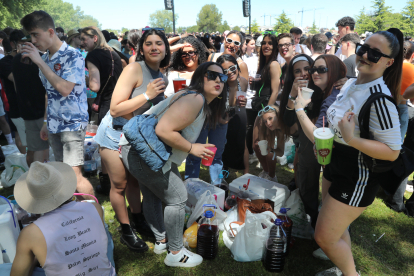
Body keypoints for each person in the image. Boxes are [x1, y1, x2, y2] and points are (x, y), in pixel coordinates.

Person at [312, 28, 403, 276]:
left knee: (324, 237)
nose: (365, 56)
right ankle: (344, 271)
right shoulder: (351, 84)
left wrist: (351, 138)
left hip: (357, 175)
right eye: (364, 49)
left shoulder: (380, 100)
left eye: (375, 54)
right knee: (338, 230)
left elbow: (393, 151)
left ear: (389, 61)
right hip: (334, 164)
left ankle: (351, 274)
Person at [120, 62, 227, 267]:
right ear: (200, 77)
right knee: (178, 197)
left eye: (222, 78)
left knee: (152, 194)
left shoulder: (196, 98)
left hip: (137, 150)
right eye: (211, 75)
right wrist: (191, 148)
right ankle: (176, 253)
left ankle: (161, 241)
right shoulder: (195, 98)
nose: (218, 80)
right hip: (143, 152)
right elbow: (164, 130)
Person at [107, 28, 170, 251]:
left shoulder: (161, 74)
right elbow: (115, 109)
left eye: (159, 43)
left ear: (165, 48)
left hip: (134, 137)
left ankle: (138, 219)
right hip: (114, 133)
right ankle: (126, 231)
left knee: (135, 181)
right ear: (141, 48)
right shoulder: (134, 68)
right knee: (120, 184)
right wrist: (147, 95)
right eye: (149, 43)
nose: (154, 47)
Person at [20, 11, 94, 197]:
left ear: (51, 32)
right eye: (30, 35)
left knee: (75, 176)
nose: (33, 40)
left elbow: (64, 89)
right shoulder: (45, 58)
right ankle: (76, 217)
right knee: (63, 174)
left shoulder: (73, 55)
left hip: (72, 123)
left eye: (36, 34)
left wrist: (39, 61)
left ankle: (96, 217)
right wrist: (46, 121)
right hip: (54, 123)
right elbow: (49, 93)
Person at [10, 161, 115, 276]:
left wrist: (33, 256)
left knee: (4, 268)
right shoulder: (95, 207)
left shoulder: (30, 234)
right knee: (105, 234)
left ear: (34, 199)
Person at [11, 30, 49, 165]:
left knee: (34, 148)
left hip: (26, 111)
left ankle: (34, 178)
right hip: (42, 110)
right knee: (43, 147)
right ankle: (43, 179)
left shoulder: (16, 59)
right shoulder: (41, 58)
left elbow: (16, 84)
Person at [385, 40, 414, 213]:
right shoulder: (411, 68)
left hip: (387, 105)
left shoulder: (391, 66)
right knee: (399, 150)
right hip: (401, 108)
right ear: (411, 55)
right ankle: (394, 195)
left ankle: (392, 192)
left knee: (400, 153)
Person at [81, 26, 123, 124]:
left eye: (84, 39)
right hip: (120, 104)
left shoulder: (93, 55)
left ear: (95, 38)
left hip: (106, 105)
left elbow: (95, 86)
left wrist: (85, 80)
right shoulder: (113, 53)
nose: (81, 43)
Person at [217, 54, 249, 173]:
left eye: (232, 68)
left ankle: (246, 173)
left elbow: (242, 100)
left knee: (242, 142)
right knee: (222, 145)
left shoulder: (243, 82)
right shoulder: (219, 86)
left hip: (239, 113)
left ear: (237, 66)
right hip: (222, 117)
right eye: (225, 71)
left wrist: (243, 101)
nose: (230, 72)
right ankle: (222, 171)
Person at [0, 30, 27, 153]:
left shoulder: (32, 57)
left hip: (32, 104)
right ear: (12, 44)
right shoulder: (5, 62)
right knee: (20, 133)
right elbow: (16, 79)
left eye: (27, 42)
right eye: (21, 43)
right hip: (15, 104)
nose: (25, 46)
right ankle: (24, 159)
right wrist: (21, 59)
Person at [253, 105, 286, 180]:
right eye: (265, 121)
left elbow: (281, 153)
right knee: (256, 146)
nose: (268, 123)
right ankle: (266, 171)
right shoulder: (266, 124)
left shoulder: (284, 126)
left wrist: (271, 150)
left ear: (277, 115)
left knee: (269, 153)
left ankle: (272, 176)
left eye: (270, 119)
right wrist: (269, 149)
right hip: (261, 115)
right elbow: (279, 152)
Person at [252, 33, 281, 113]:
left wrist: (266, 112)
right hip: (260, 105)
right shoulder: (264, 64)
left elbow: (275, 92)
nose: (266, 46)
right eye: (264, 43)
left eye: (270, 43)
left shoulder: (273, 64)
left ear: (275, 47)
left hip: (267, 107)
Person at [242, 35, 259, 163]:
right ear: (246, 44)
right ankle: (249, 151)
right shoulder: (241, 59)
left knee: (254, 125)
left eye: (254, 44)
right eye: (251, 44)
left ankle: (253, 150)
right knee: (248, 126)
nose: (253, 46)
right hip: (245, 95)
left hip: (255, 95)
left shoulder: (256, 58)